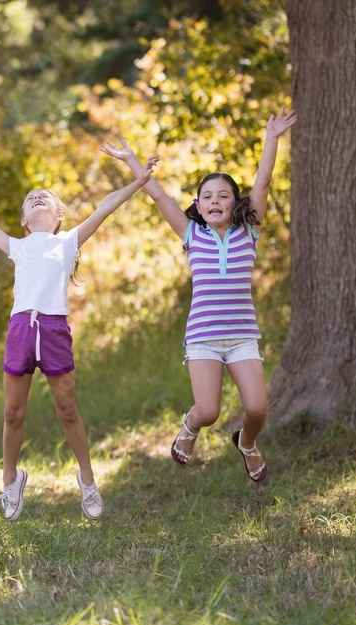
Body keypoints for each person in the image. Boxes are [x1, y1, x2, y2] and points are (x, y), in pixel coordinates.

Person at [101, 106, 297, 483]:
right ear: (198, 204)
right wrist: (132, 161)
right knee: (208, 411)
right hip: (204, 338)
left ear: (235, 203)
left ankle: (248, 443)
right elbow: (159, 198)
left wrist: (272, 138)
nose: (214, 201)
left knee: (257, 409)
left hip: (242, 335)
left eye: (223, 195)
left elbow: (263, 184)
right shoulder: (192, 235)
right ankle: (189, 428)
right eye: (207, 196)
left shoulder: (248, 233)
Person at [0, 153, 154, 521]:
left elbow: (106, 206)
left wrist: (139, 180)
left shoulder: (67, 241)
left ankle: (88, 480)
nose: (37, 198)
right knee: (13, 412)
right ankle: (11, 481)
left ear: (58, 214)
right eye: (31, 197)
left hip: (53, 329)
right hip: (20, 328)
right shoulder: (17, 244)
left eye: (44, 196)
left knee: (67, 410)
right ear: (24, 220)